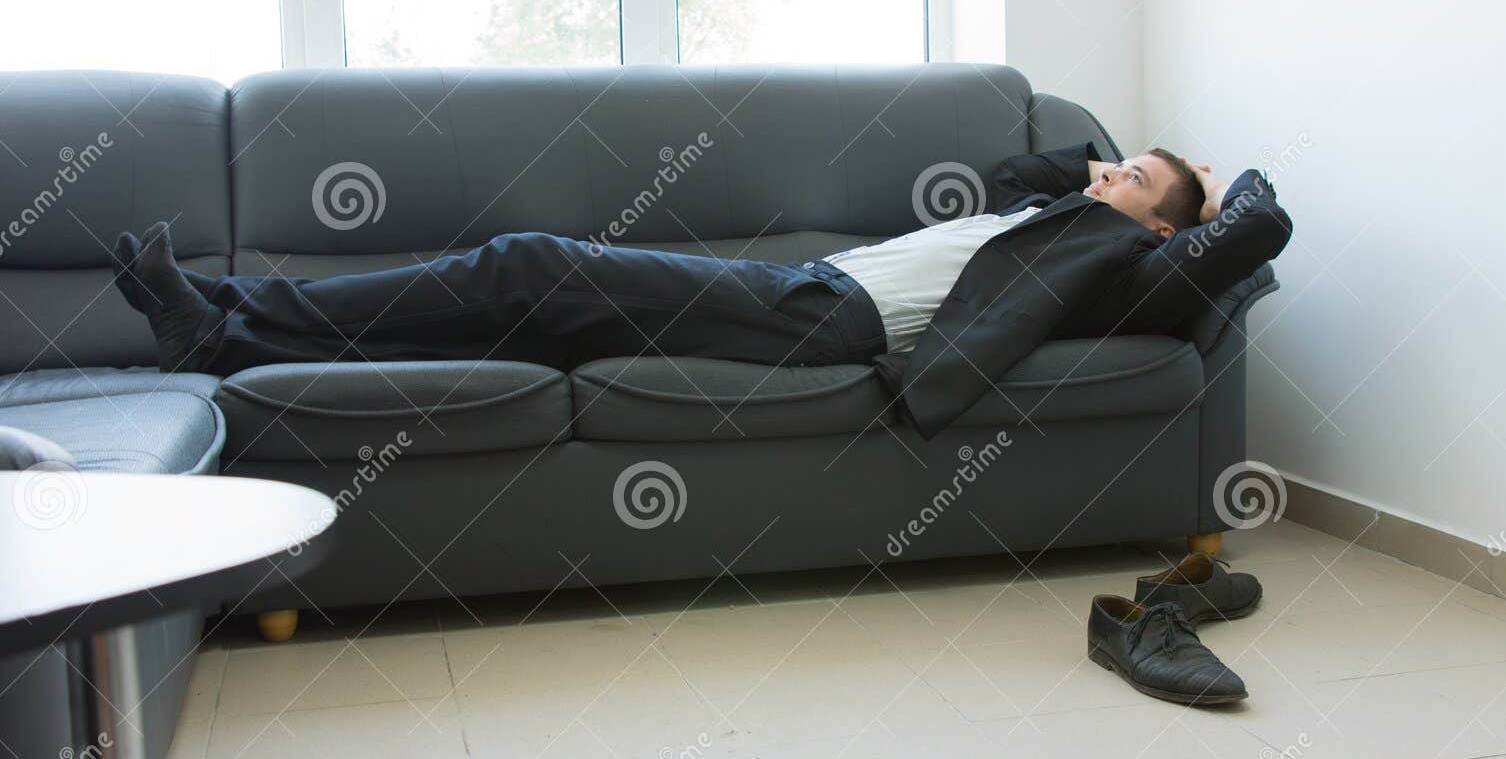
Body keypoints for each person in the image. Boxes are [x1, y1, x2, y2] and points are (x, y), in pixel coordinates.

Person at [113, 142, 1290, 440]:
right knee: (519, 298)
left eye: (1132, 174)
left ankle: (219, 318)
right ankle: (221, 329)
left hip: (829, 322)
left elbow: (1255, 226)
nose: (1105, 170)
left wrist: (1188, 192)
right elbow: (1016, 172)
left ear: (1161, 223)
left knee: (528, 263)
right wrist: (1099, 174)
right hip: (799, 285)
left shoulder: (1124, 261)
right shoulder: (1066, 216)